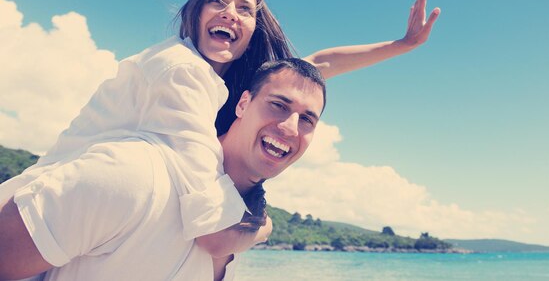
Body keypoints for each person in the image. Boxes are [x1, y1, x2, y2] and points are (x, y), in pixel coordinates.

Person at [0, 0, 440, 265]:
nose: (231, 12)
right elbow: (213, 231)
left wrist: (403, 45)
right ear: (195, 13)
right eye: (217, 1)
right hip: (37, 214)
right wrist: (262, 226)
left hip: (76, 226)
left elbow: (317, 65)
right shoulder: (181, 71)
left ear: (253, 27)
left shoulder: (223, 79)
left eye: (245, 9)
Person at [0, 58, 326, 281]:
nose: (290, 127)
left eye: (307, 119)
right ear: (242, 104)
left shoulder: (236, 226)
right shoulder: (134, 176)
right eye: (278, 105)